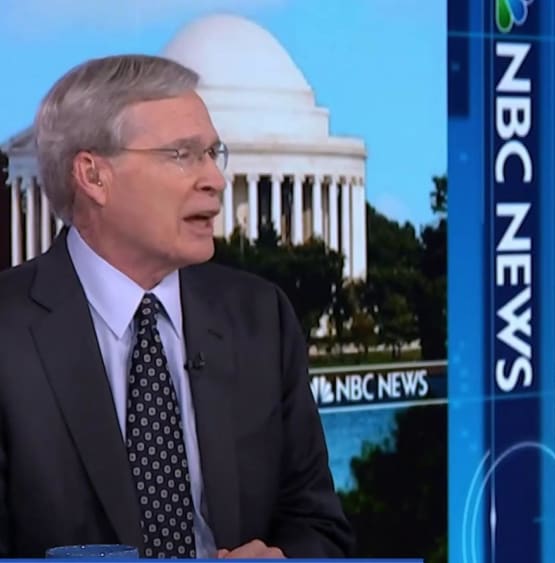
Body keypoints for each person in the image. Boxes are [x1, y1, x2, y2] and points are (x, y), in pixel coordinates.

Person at [0, 55, 353, 558]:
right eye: (182, 155)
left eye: (212, 153)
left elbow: (320, 528)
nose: (215, 180)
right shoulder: (9, 332)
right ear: (94, 176)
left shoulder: (260, 319)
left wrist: (284, 558)